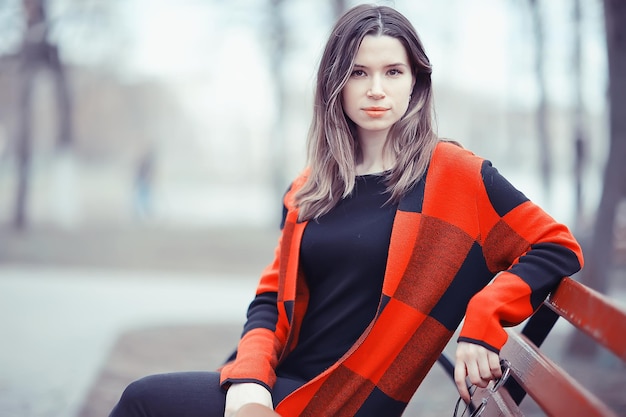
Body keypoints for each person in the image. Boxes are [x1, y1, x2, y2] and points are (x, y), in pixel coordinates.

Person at [109, 4, 583, 417]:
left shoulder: (455, 175)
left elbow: (556, 246)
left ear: (416, 81)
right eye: (359, 72)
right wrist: (248, 386)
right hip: (279, 386)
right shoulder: (311, 185)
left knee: (142, 401)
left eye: (392, 72)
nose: (376, 89)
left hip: (344, 401)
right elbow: (271, 302)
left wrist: (485, 314)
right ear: (334, 82)